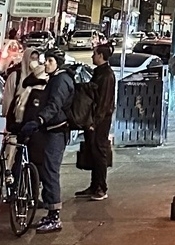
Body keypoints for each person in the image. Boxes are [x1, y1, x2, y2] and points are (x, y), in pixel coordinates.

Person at [17, 45, 74, 233]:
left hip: (57, 132)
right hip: (50, 130)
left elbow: (54, 105)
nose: (46, 64)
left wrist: (39, 119)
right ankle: (50, 214)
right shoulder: (56, 79)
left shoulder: (61, 80)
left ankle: (54, 216)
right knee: (47, 170)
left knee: (50, 171)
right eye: (46, 60)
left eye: (50, 61)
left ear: (58, 63)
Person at [76, 42, 116, 200]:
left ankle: (101, 187)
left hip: (99, 120)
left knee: (99, 151)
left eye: (94, 54)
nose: (92, 56)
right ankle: (94, 185)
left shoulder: (106, 75)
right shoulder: (99, 73)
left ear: (100, 55)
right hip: (94, 118)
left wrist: (94, 122)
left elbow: (104, 103)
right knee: (93, 151)